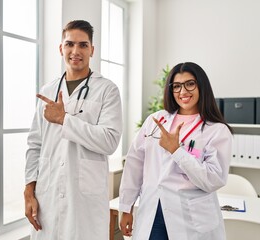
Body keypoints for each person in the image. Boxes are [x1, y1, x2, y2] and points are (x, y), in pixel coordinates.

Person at [24, 20, 122, 240]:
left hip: (84, 202)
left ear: (92, 50)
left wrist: (64, 120)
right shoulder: (47, 90)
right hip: (47, 196)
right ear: (61, 48)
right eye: (69, 44)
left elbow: (109, 141)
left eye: (83, 45)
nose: (75, 51)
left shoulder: (107, 90)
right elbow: (34, 145)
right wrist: (29, 190)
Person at [119, 62, 233, 240]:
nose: (183, 92)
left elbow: (214, 179)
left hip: (190, 218)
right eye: (176, 86)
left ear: (202, 86)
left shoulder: (216, 130)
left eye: (190, 84)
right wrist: (126, 206)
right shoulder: (156, 120)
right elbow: (135, 163)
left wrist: (176, 151)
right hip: (153, 211)